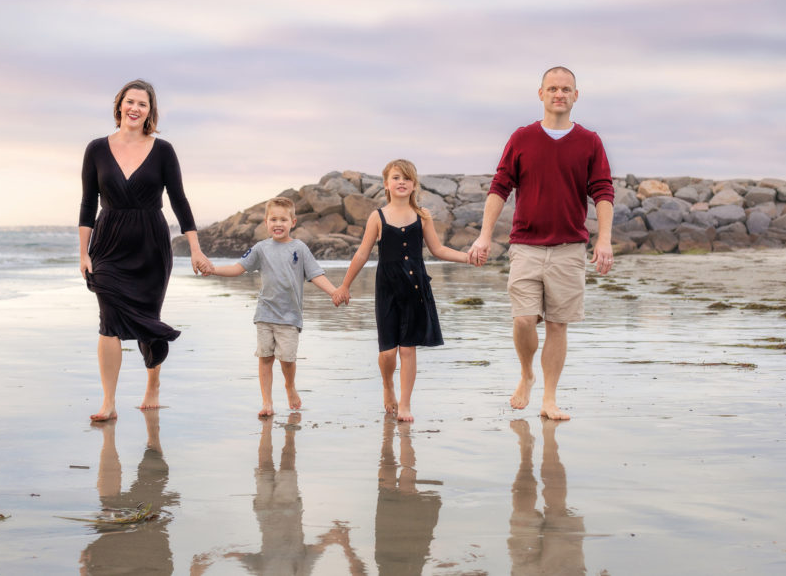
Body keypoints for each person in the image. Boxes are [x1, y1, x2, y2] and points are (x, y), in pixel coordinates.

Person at [469, 66, 614, 421]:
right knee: (523, 319)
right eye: (553, 88)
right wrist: (484, 235)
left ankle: (549, 399)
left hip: (569, 249)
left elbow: (603, 191)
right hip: (527, 246)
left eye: (566, 89)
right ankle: (526, 373)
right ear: (541, 94)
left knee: (557, 325)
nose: (559, 94)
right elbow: (500, 187)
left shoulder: (589, 142)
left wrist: (605, 240)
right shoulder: (522, 138)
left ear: (575, 95)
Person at [79, 79, 212, 422]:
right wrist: (84, 253)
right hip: (108, 243)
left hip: (151, 244)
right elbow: (87, 204)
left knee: (146, 319)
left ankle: (153, 384)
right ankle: (108, 402)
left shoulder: (163, 150)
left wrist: (195, 249)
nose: (135, 108)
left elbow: (179, 201)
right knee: (108, 320)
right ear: (119, 105)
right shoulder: (96, 148)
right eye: (130, 102)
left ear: (150, 112)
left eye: (142, 104)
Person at [333, 159, 472, 422]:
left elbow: (438, 250)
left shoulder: (423, 216)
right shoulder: (378, 216)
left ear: (414, 184)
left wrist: (468, 257)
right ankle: (388, 386)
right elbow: (363, 253)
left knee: (408, 349)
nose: (401, 182)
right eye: (396, 178)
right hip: (387, 288)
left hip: (416, 288)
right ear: (386, 184)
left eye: (406, 178)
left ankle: (406, 405)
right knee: (387, 353)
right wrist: (345, 285)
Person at [205, 196, 337, 417]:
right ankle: (267, 402)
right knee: (265, 358)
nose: (278, 224)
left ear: (293, 222)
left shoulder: (300, 248)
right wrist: (213, 269)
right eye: (273, 219)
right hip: (265, 314)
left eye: (283, 219)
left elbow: (315, 275)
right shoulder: (261, 248)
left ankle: (289, 386)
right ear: (265, 222)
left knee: (287, 359)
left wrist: (335, 291)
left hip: (290, 316)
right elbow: (238, 268)